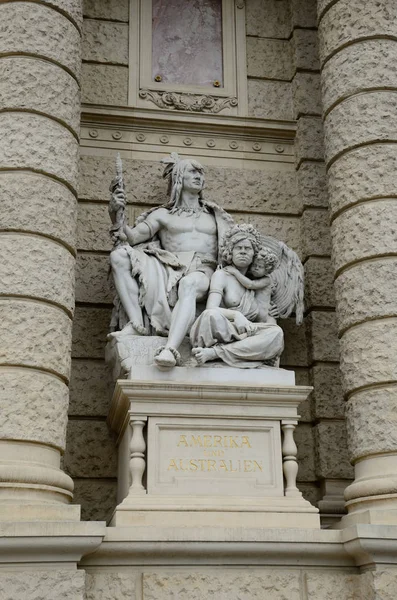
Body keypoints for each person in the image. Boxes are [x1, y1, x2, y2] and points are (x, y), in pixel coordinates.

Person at [108, 153, 233, 369]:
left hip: (205, 270)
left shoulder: (215, 215)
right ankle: (137, 324)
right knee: (119, 256)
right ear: (178, 178)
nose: (199, 176)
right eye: (192, 172)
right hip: (171, 268)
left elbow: (235, 247)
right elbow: (133, 237)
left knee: (190, 283)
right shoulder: (163, 215)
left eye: (201, 173)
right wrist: (116, 213)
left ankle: (170, 350)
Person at [190, 224, 284, 368]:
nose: (243, 252)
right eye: (238, 248)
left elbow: (263, 320)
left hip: (248, 333)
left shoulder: (257, 283)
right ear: (230, 252)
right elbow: (211, 308)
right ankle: (247, 353)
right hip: (224, 328)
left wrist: (272, 314)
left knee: (276, 333)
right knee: (209, 316)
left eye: (248, 248)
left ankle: (214, 353)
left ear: (254, 253)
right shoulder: (222, 275)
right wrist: (236, 316)